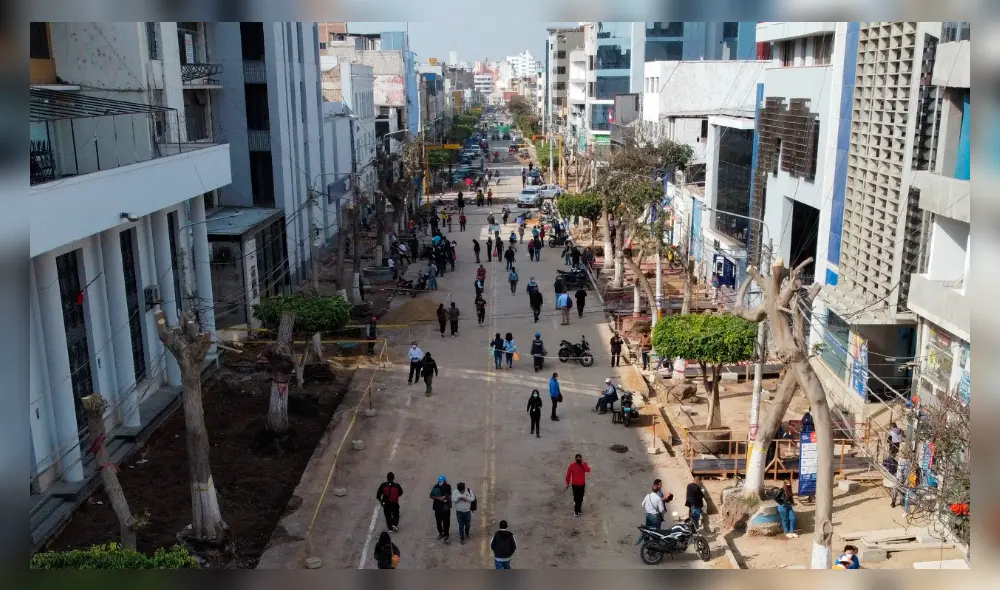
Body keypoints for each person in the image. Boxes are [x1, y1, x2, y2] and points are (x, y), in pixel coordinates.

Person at [429, 475, 453, 543]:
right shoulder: (436, 486)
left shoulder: (448, 486)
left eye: (441, 481)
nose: (440, 482)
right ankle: (441, 533)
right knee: (438, 521)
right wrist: (439, 498)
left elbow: (449, 495)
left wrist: (445, 497)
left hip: (446, 507)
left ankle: (446, 535)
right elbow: (431, 495)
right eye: (439, 481)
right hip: (437, 507)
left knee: (446, 522)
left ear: (444, 481)